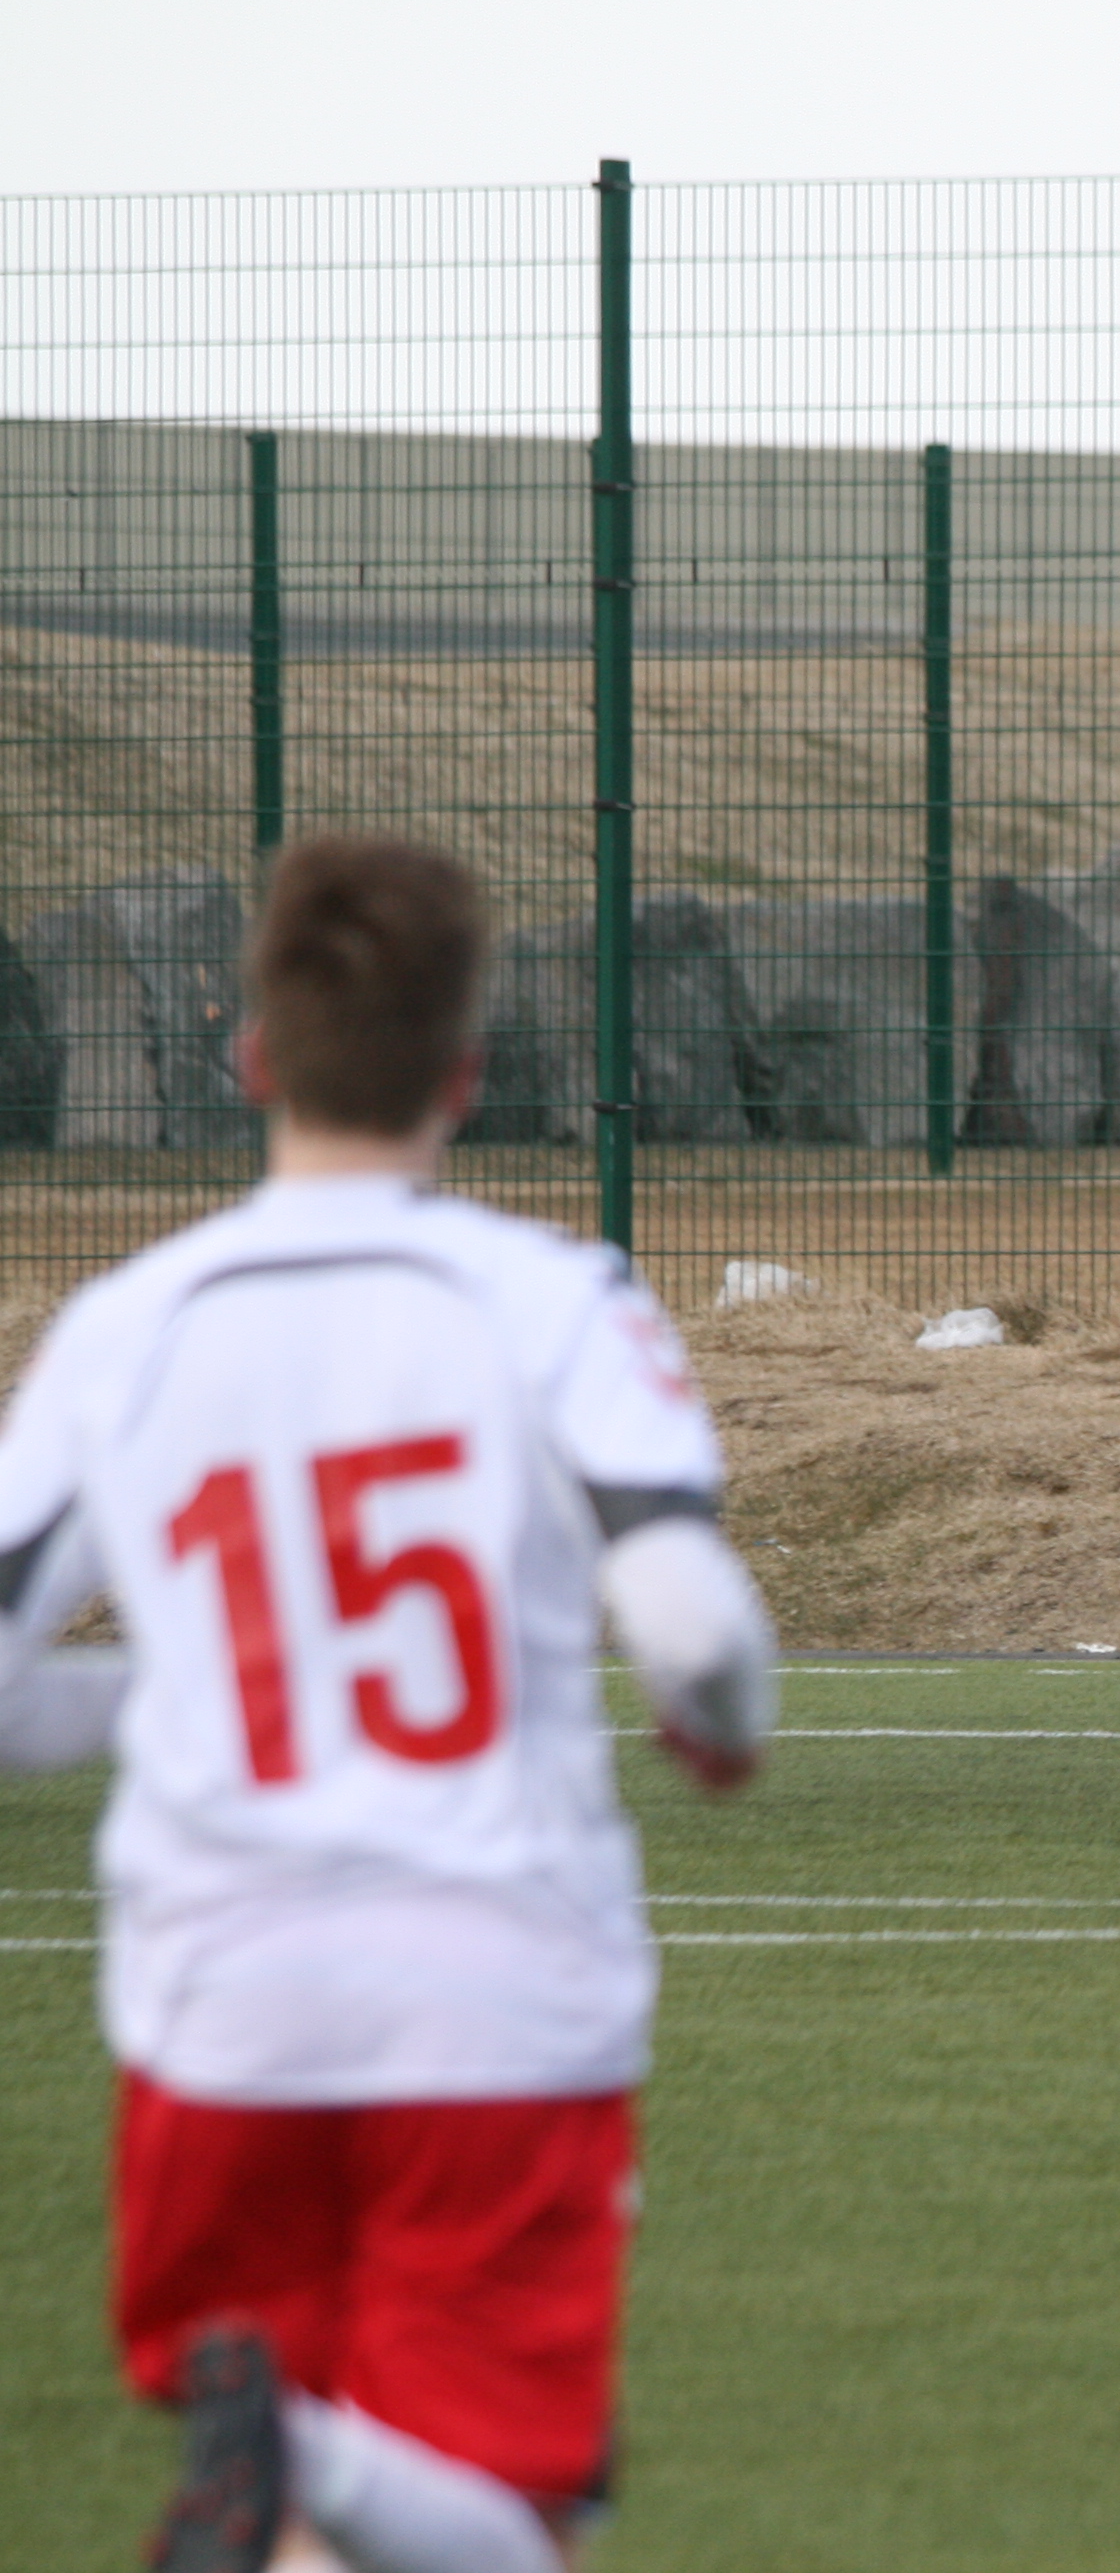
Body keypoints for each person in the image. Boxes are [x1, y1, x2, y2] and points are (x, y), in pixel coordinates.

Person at [0, 833, 779, 2573]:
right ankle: (303, 2454)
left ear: (251, 1057)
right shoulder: (550, 1301)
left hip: (220, 2004)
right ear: (465, 1074)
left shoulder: (128, 1328)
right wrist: (721, 1722)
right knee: (512, 2520)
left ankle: (293, 2459)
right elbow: (690, 1618)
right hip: (499, 1992)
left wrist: (172, 1701)